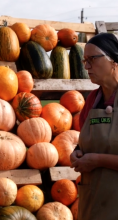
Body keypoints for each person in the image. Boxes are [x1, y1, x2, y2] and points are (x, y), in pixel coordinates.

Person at [70, 32, 118, 220]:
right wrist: (77, 152)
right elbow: (84, 140)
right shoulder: (92, 101)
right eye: (84, 61)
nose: (87, 66)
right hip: (94, 205)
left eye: (92, 59)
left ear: (114, 60)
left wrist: (97, 160)